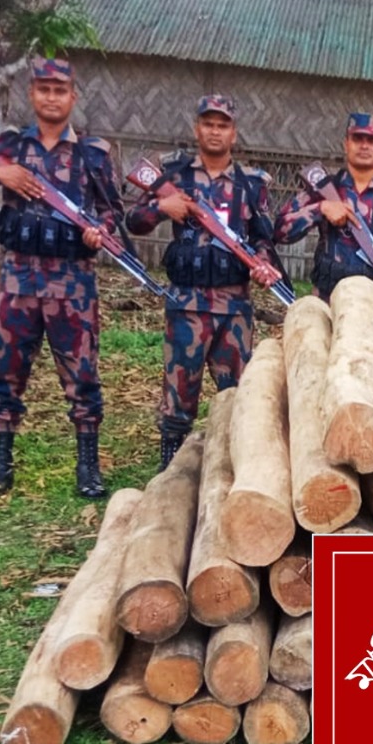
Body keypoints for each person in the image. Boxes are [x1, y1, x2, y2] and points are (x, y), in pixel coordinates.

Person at [0, 56, 122, 501]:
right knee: (6, 374)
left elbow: (113, 213)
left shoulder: (93, 154)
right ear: (32, 94)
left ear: (73, 97)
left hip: (73, 283)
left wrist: (99, 232)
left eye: (60, 90)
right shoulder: (9, 147)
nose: (51, 97)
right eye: (43, 89)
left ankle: (88, 467)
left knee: (82, 377)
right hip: (19, 282)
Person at [126, 94, 281, 471]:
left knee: (237, 394)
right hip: (187, 304)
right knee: (178, 394)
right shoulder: (174, 175)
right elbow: (133, 221)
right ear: (197, 129)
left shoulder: (250, 184)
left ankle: (234, 467)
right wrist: (161, 207)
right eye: (208, 124)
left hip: (234, 308)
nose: (215, 131)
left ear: (234, 133)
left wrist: (262, 263)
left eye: (222, 125)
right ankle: (170, 470)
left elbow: (263, 237)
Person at [276, 112, 373, 324]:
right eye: (357, 138)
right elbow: (280, 230)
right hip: (328, 309)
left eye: (372, 140)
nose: (364, 146)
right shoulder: (324, 188)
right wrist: (320, 208)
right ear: (346, 144)